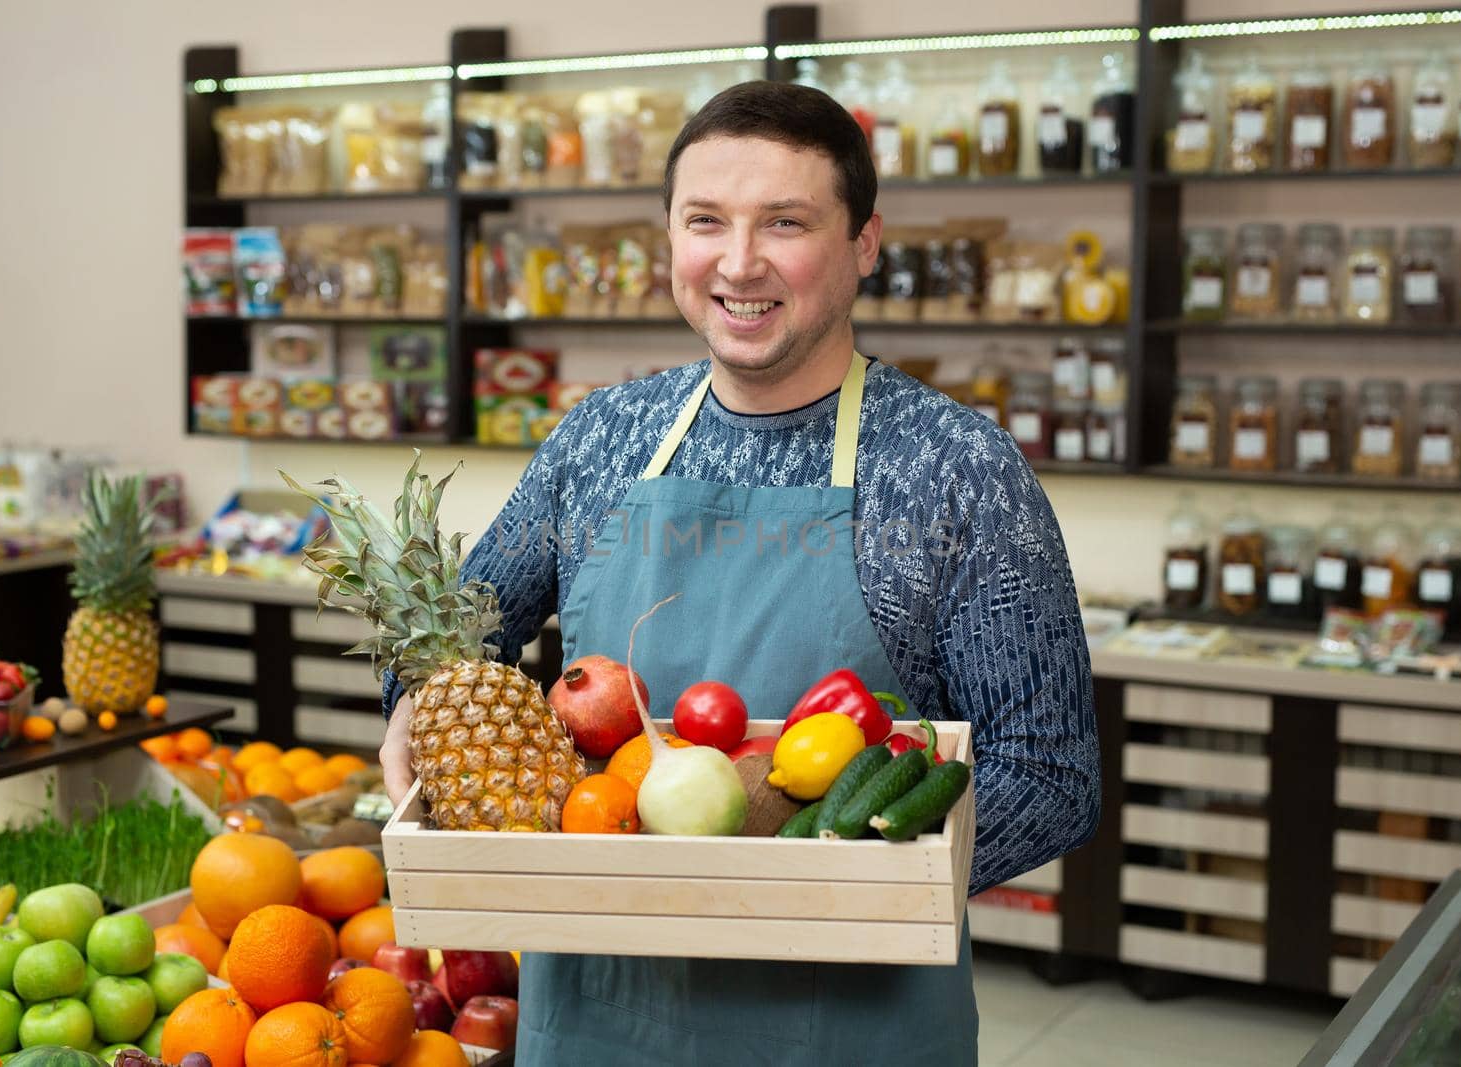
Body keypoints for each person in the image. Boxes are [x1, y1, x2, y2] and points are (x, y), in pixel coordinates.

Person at [380, 80, 1099, 1066]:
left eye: (786, 222)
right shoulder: (600, 439)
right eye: (705, 220)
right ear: (669, 238)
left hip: (849, 1018)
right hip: (599, 1015)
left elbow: (1050, 769)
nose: (739, 261)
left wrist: (822, 869)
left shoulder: (953, 466)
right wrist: (412, 711)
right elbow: (454, 646)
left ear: (864, 244)